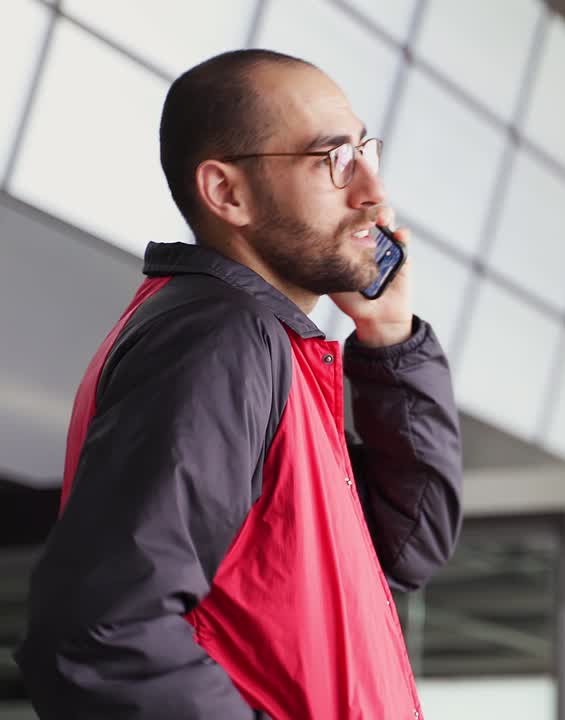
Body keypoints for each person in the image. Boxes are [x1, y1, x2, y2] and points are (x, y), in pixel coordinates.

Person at [15, 49, 463, 720]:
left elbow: (407, 544)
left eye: (367, 150)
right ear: (228, 193)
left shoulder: (272, 349)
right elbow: (101, 636)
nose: (374, 191)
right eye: (334, 160)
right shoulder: (216, 340)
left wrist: (391, 338)